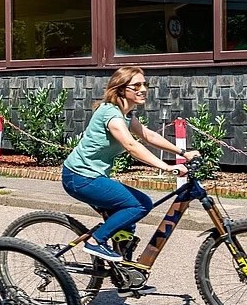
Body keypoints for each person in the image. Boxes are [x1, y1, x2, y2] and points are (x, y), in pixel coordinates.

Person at [62, 66, 199, 263]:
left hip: (93, 176)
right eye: (136, 85)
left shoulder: (125, 115)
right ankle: (96, 241)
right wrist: (167, 167)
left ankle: (123, 270)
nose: (143, 89)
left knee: (127, 221)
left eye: (145, 84)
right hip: (80, 177)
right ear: (121, 89)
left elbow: (148, 135)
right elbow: (131, 145)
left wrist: (183, 153)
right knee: (140, 204)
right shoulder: (111, 114)